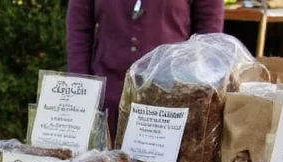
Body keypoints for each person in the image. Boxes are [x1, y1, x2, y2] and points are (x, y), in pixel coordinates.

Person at [66, 0, 224, 136]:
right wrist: (81, 89)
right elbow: (79, 26)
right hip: (108, 100)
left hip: (170, 103)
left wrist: (194, 94)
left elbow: (208, 35)